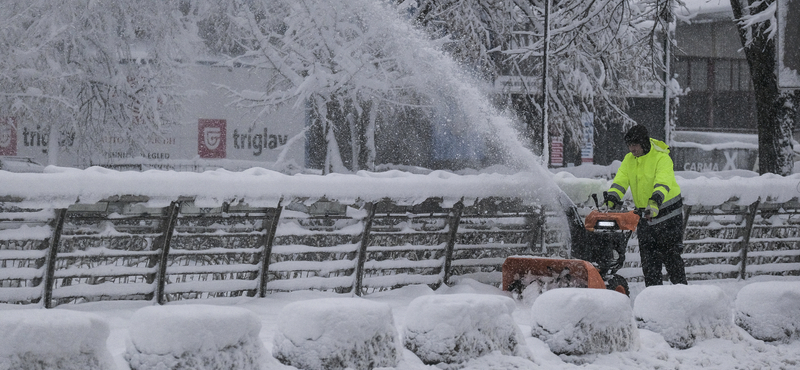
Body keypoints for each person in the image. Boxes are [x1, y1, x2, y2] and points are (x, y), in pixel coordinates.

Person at [604, 124, 687, 287]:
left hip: (668, 216)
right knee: (649, 264)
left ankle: (682, 296)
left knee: (672, 261)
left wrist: (655, 201)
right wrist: (612, 198)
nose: (631, 149)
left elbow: (663, 181)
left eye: (634, 145)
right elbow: (621, 180)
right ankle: (654, 299)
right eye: (629, 145)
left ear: (644, 143)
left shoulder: (661, 158)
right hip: (646, 216)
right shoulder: (629, 160)